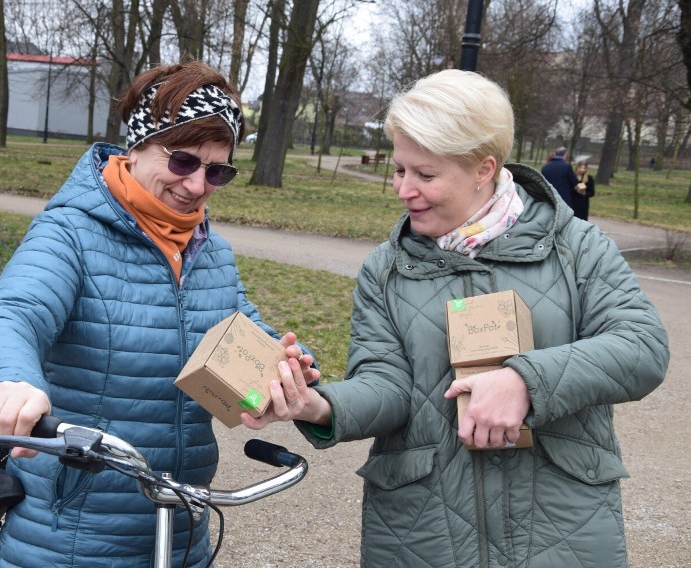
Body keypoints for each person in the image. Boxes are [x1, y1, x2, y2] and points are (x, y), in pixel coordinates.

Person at [242, 69, 669, 567]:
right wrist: (317, 406)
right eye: (400, 170)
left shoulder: (576, 248)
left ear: (483, 168)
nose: (403, 190)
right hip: (423, 534)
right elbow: (389, 386)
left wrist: (525, 381)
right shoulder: (386, 268)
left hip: (560, 529)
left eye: (425, 175)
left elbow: (642, 348)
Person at [0, 60, 317, 568]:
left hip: (179, 530)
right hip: (73, 536)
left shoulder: (209, 251)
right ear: (137, 147)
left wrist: (289, 366)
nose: (197, 186)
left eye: (217, 171)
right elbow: (10, 314)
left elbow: (242, 331)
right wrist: (6, 381)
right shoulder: (71, 235)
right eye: (183, 162)